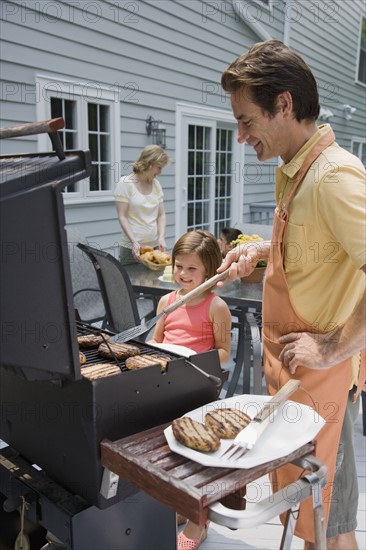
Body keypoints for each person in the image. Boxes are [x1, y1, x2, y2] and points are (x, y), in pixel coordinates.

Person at [218, 39, 365, 549]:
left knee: (330, 526)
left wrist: (332, 347)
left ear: (283, 104)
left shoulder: (333, 177)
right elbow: (318, 246)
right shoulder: (295, 169)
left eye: (246, 120)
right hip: (292, 380)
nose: (240, 137)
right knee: (307, 517)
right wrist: (260, 250)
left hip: (323, 386)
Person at [149, 230, 232, 550]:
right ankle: (176, 505)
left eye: (191, 269)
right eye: (178, 266)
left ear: (209, 271)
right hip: (167, 384)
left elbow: (224, 353)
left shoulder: (216, 306)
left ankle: (199, 521)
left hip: (197, 388)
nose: (182, 274)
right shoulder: (166, 301)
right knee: (164, 452)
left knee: (197, 458)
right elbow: (156, 340)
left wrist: (194, 358)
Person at [114, 145, 171, 264]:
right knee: (131, 282)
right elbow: (122, 216)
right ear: (150, 163)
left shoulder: (156, 185)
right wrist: (134, 242)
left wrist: (161, 237)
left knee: (154, 283)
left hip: (154, 248)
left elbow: (161, 215)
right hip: (132, 249)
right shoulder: (125, 183)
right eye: (159, 167)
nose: (160, 172)